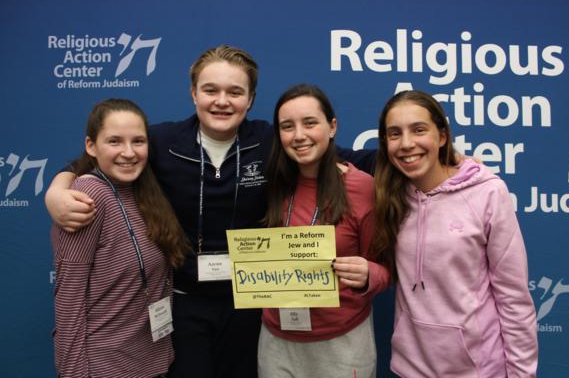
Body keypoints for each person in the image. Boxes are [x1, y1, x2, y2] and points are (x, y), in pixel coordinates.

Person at [45, 46, 376, 378]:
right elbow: (90, 162)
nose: (222, 101)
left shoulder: (270, 140)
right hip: (184, 302)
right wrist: (57, 190)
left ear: (250, 99)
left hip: (249, 302)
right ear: (193, 93)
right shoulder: (162, 141)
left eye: (235, 92)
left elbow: (353, 159)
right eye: (210, 90)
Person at [371, 90, 538, 377]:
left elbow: (513, 296)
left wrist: (522, 373)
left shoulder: (487, 192)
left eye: (419, 130)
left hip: (478, 369)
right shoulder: (391, 195)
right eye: (395, 134)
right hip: (410, 368)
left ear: (442, 136)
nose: (407, 143)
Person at [258, 84, 390, 378]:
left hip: (341, 343)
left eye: (310, 123)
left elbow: (387, 268)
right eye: (287, 126)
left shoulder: (362, 187)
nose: (299, 136)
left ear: (332, 127)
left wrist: (369, 273)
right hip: (276, 341)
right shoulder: (270, 184)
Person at [51, 98, 188, 377]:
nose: (128, 152)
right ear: (91, 146)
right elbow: (69, 300)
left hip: (151, 362)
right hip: (106, 367)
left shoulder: (143, 190)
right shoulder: (88, 196)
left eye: (138, 141)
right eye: (114, 141)